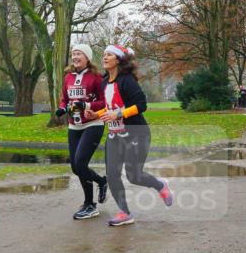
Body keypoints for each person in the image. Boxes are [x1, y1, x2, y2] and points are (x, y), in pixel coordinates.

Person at [93, 45, 172, 226]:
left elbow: (141, 104)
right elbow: (110, 107)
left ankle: (160, 186)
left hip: (136, 132)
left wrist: (119, 114)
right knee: (112, 174)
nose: (104, 57)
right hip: (114, 135)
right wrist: (96, 115)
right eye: (104, 54)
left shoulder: (126, 80)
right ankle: (125, 212)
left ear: (118, 60)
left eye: (109, 54)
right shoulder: (105, 82)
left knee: (134, 176)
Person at [55, 44, 108, 220]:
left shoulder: (96, 78)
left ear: (87, 58)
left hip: (93, 124)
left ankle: (89, 205)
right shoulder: (68, 77)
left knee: (80, 162)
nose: (75, 57)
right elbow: (65, 99)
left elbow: (104, 102)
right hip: (74, 126)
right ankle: (101, 181)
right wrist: (62, 108)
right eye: (73, 54)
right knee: (76, 167)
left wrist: (86, 105)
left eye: (79, 54)